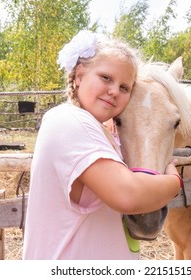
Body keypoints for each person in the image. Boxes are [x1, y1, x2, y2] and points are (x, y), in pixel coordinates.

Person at [22, 30, 182, 260]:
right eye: (106, 78)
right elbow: (128, 195)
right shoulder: (70, 121)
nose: (115, 91)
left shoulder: (99, 132)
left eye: (125, 88)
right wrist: (173, 182)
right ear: (79, 75)